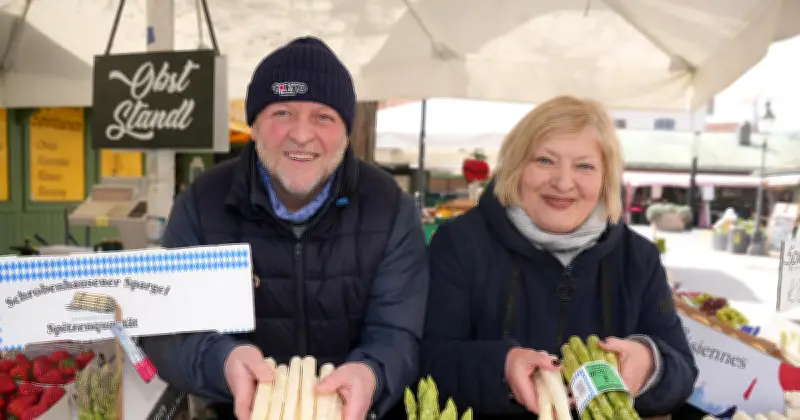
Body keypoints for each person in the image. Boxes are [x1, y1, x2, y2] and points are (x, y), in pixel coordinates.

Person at [141, 37, 429, 420]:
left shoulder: (388, 205)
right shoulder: (201, 203)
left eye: (323, 116)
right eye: (282, 113)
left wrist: (371, 373)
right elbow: (168, 331)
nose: (301, 134)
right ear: (255, 125)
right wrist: (221, 361)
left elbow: (398, 332)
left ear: (346, 132)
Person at [420, 96, 698, 418]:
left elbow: (683, 371)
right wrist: (502, 367)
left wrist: (651, 364)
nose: (564, 183)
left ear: (606, 177)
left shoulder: (638, 258)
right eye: (544, 161)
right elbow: (429, 358)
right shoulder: (459, 244)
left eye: (585, 166)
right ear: (515, 166)